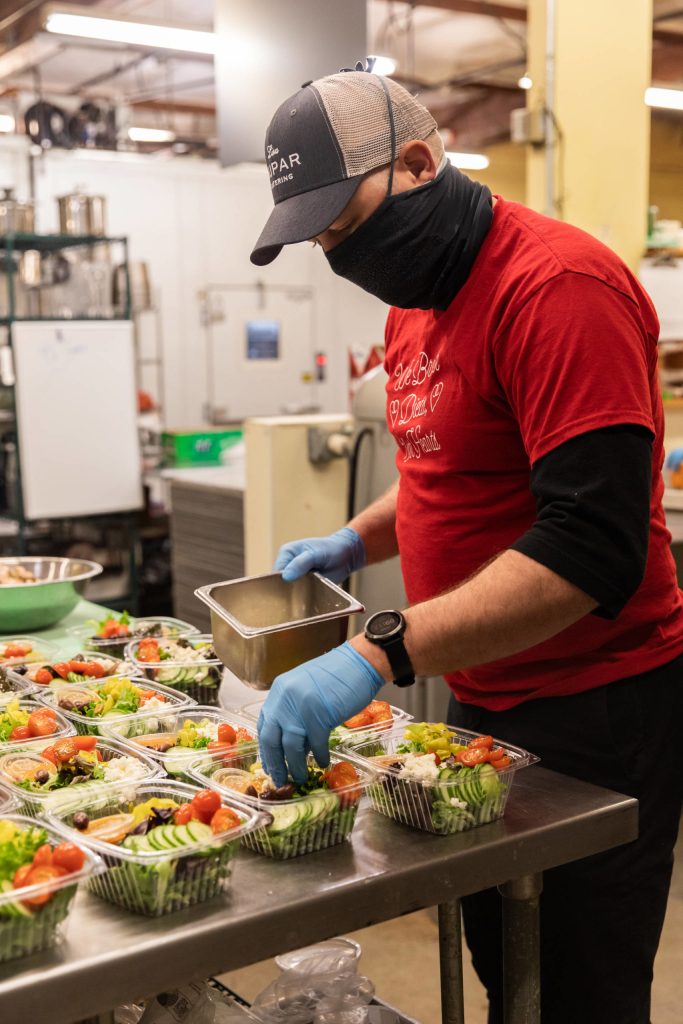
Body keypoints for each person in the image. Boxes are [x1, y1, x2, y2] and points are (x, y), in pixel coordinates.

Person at [249, 65, 683, 1024]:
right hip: (483, 693)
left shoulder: (556, 288)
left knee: (578, 988)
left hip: (594, 708)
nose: (337, 250)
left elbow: (587, 549)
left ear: (415, 162)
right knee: (506, 964)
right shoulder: (419, 299)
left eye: (342, 224)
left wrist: (376, 651)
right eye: (319, 236)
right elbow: (441, 459)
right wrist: (355, 540)